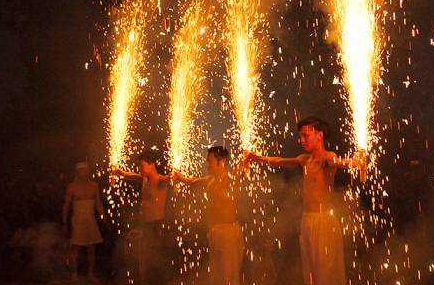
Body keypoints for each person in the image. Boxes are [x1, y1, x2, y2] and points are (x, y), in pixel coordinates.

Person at [244, 116, 366, 285]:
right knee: (310, 273)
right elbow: (280, 161)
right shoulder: (304, 160)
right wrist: (257, 158)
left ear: (319, 135)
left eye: (305, 135)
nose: (301, 140)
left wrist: (356, 162)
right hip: (307, 221)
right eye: (300, 136)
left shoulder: (327, 157)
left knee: (326, 272)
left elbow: (340, 163)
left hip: (324, 222)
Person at [173, 146, 244, 285]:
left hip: (228, 232)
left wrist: (245, 162)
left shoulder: (231, 180)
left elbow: (238, 174)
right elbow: (193, 181)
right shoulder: (210, 180)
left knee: (229, 276)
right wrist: (181, 178)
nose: (207, 165)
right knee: (216, 276)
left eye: (210, 162)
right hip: (214, 232)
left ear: (221, 162)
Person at [110, 150, 173, 284]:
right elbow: (133, 175)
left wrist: (176, 177)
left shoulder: (161, 180)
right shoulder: (144, 179)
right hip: (146, 225)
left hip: (156, 225)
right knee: (144, 261)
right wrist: (120, 172)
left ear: (152, 165)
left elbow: (170, 178)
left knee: (154, 261)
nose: (140, 168)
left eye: (142, 165)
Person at [62, 161, 104, 282]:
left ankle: (90, 274)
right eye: (82, 171)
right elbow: (66, 205)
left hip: (90, 220)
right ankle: (74, 274)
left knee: (91, 248)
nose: (84, 173)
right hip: (78, 220)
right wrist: (65, 222)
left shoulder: (94, 185)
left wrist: (103, 217)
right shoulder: (72, 187)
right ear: (77, 172)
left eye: (86, 170)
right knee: (76, 248)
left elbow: (98, 203)